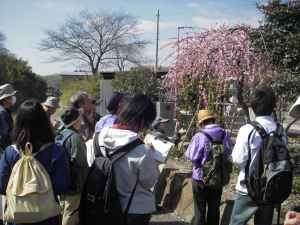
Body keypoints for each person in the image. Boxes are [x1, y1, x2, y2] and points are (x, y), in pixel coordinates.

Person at [0, 99, 70, 225]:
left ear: (18, 122)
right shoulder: (56, 151)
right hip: (48, 218)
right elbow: (62, 186)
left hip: (17, 217)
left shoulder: (9, 152)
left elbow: (1, 185)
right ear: (44, 122)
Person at [95, 94, 159, 225]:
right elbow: (149, 182)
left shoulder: (96, 139)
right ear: (142, 121)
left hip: (102, 205)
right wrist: (154, 159)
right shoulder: (142, 150)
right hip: (134, 210)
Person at [229, 86, 284, 225]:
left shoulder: (247, 130)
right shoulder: (280, 130)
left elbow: (238, 160)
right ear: (273, 107)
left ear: (253, 106)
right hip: (271, 188)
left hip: (248, 189)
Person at [185, 109, 231, 225]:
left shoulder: (199, 136)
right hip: (217, 178)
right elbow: (228, 152)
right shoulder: (224, 133)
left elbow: (192, 156)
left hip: (200, 178)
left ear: (201, 123)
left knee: (199, 211)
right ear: (213, 119)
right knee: (214, 210)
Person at [56, 108, 89, 225]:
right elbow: (81, 162)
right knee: (71, 212)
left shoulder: (60, 134)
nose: (82, 121)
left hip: (61, 180)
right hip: (74, 182)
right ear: (75, 121)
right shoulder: (75, 137)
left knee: (62, 210)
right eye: (80, 119)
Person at [0, 84, 16, 153]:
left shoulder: (5, 110)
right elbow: (4, 135)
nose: (13, 98)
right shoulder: (2, 112)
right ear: (5, 99)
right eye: (11, 96)